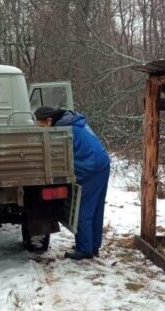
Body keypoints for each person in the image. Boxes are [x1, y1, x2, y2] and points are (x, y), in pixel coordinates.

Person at [34, 106, 111, 260]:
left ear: (49, 121)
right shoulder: (74, 122)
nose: (43, 131)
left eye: (42, 127)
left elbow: (57, 156)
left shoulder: (63, 131)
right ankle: (92, 246)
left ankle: (84, 250)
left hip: (91, 168)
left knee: (83, 209)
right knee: (95, 208)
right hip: (102, 163)